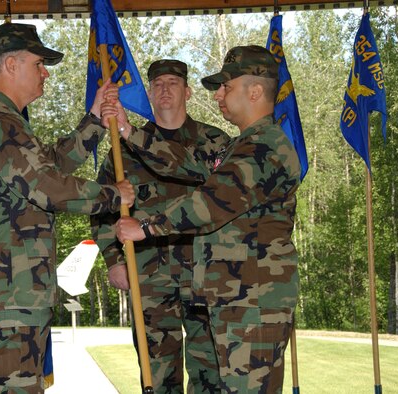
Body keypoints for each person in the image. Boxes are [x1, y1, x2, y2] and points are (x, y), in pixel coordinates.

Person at [109, 46, 302, 393]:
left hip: (254, 304)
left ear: (255, 91)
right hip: (238, 300)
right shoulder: (243, 145)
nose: (218, 96)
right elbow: (188, 163)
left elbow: (211, 203)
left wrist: (145, 227)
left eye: (226, 87)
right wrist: (128, 131)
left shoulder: (264, 148)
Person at [0, 22, 134, 394]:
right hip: (9, 290)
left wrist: (95, 122)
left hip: (16, 289)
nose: (45, 72)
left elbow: (47, 166)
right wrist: (115, 196)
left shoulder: (7, 125)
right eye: (38, 63)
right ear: (10, 65)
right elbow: (49, 187)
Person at [91, 60, 229, 393]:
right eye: (158, 84)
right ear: (150, 94)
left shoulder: (213, 141)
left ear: (188, 92)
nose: (164, 89)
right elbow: (101, 207)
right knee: (157, 375)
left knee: (211, 374)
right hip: (150, 278)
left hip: (205, 274)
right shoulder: (123, 150)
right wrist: (113, 259)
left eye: (173, 83)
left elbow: (228, 200)